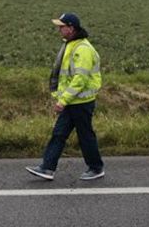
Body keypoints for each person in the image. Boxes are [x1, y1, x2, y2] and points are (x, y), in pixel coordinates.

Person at [26, 12, 105, 181]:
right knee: (59, 134)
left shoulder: (82, 49)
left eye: (62, 26)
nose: (59, 29)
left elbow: (80, 79)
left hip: (81, 102)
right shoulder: (71, 44)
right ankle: (47, 168)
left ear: (71, 28)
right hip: (73, 101)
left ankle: (96, 168)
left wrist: (63, 101)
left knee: (85, 136)